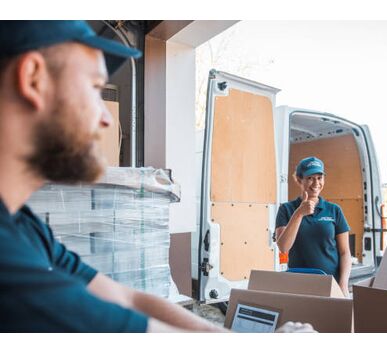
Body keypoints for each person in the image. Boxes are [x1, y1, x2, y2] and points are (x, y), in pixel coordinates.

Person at [0, 20, 314, 333]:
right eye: (95, 88)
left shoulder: (23, 226)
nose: (107, 118)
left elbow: (128, 300)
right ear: (33, 79)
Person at [275, 157, 352, 297]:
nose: (316, 183)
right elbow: (283, 247)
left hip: (331, 283)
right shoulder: (286, 209)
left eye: (319, 177)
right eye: (310, 178)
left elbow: (345, 252)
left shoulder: (334, 210)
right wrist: (299, 214)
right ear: (299, 179)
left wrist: (343, 284)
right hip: (298, 284)